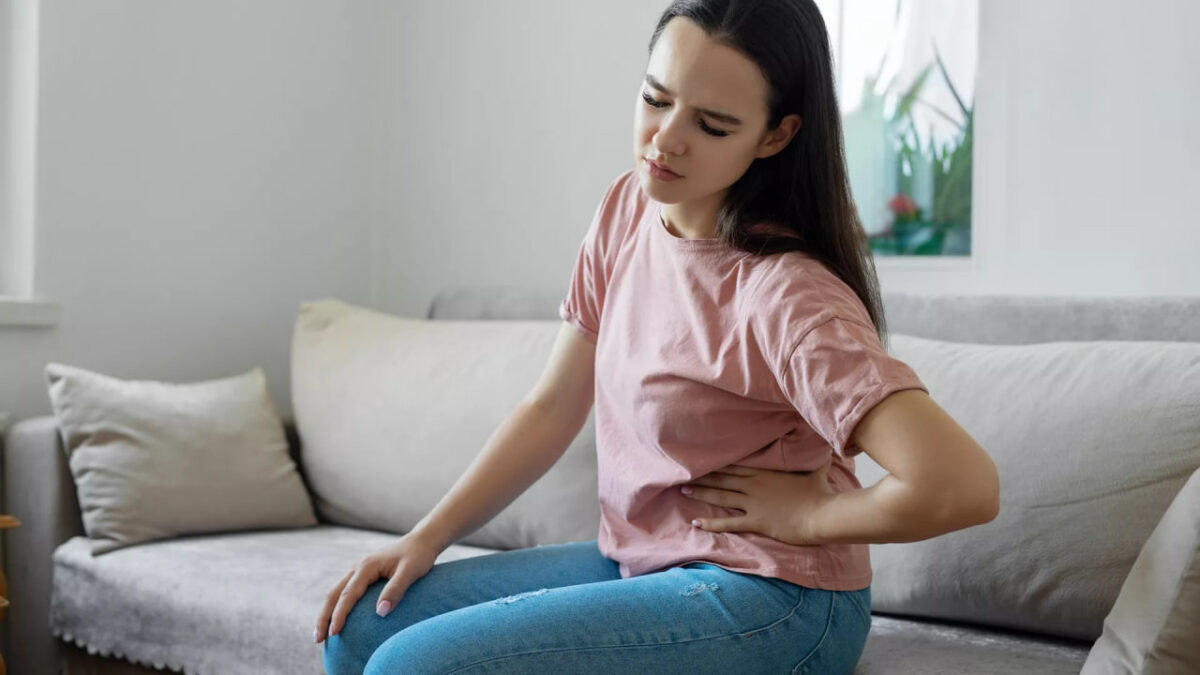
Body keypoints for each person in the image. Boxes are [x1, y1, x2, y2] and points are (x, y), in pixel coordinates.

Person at [316, 1, 1000, 673]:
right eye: (655, 99)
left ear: (775, 136)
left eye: (711, 124)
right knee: (363, 627)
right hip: (644, 559)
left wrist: (810, 517)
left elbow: (962, 484)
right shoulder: (627, 210)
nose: (665, 139)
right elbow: (552, 406)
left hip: (777, 596)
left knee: (411, 665)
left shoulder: (790, 297)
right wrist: (426, 536)